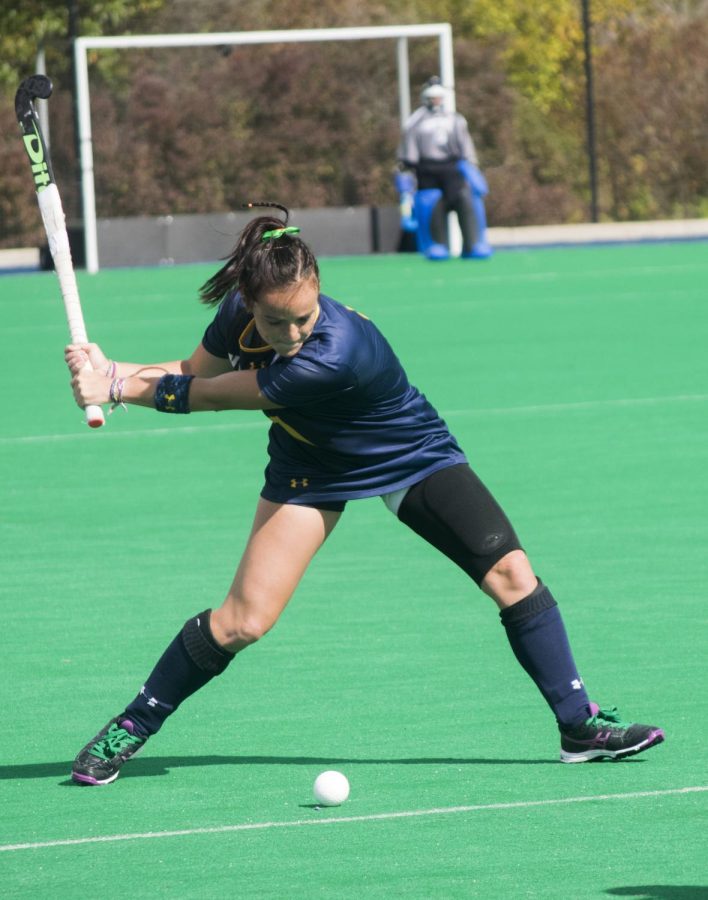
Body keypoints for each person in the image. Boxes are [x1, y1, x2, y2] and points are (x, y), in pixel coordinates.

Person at [66, 203, 664, 786]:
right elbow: (197, 372)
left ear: (319, 290)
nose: (293, 332)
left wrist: (116, 387)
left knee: (512, 572)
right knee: (244, 621)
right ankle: (131, 725)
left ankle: (578, 727)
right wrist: (113, 371)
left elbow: (214, 397)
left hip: (407, 454)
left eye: (303, 316)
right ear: (249, 304)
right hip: (311, 466)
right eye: (276, 322)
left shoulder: (332, 353)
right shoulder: (237, 313)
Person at [397, 76, 491, 259]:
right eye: (432, 98)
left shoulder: (456, 120)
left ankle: (474, 244)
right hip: (427, 175)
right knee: (431, 207)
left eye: (439, 97)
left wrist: (472, 169)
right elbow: (407, 159)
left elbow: (467, 150)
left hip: (454, 173)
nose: (436, 101)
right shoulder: (415, 122)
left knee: (468, 201)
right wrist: (405, 185)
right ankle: (436, 245)